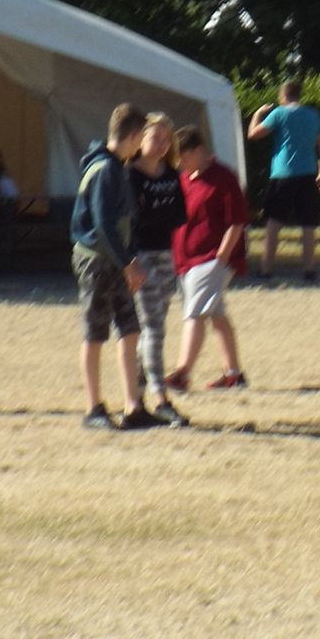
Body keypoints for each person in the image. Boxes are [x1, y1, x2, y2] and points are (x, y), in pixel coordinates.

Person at [71, 104, 160, 432]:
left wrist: (129, 259)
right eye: (142, 137)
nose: (142, 145)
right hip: (96, 261)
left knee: (129, 328)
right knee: (95, 334)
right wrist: (128, 264)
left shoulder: (115, 166)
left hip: (116, 260)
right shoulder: (106, 169)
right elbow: (104, 223)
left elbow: (122, 224)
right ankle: (93, 409)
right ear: (133, 135)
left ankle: (133, 406)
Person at [165, 127, 249, 393]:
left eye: (183, 157)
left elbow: (237, 221)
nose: (180, 163)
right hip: (186, 260)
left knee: (195, 313)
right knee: (216, 314)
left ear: (199, 151)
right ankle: (233, 374)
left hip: (210, 259)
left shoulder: (223, 177)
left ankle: (182, 373)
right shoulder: (184, 179)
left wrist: (221, 257)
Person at [127, 114, 190, 426]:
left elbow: (179, 214)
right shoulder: (130, 175)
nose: (163, 144)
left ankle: (136, 398)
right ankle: (161, 397)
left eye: (167, 139)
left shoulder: (171, 173)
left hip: (165, 254)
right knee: (153, 327)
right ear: (140, 140)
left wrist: (154, 211)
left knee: (152, 326)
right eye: (156, 138)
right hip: (141, 256)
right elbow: (133, 218)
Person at [247, 79, 320, 283]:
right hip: (308, 173)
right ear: (299, 94)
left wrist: (257, 114)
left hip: (283, 174)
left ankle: (266, 268)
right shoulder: (313, 115)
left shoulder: (279, 114)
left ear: (283, 95)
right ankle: (309, 270)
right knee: (308, 224)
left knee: (274, 222)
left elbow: (253, 135)